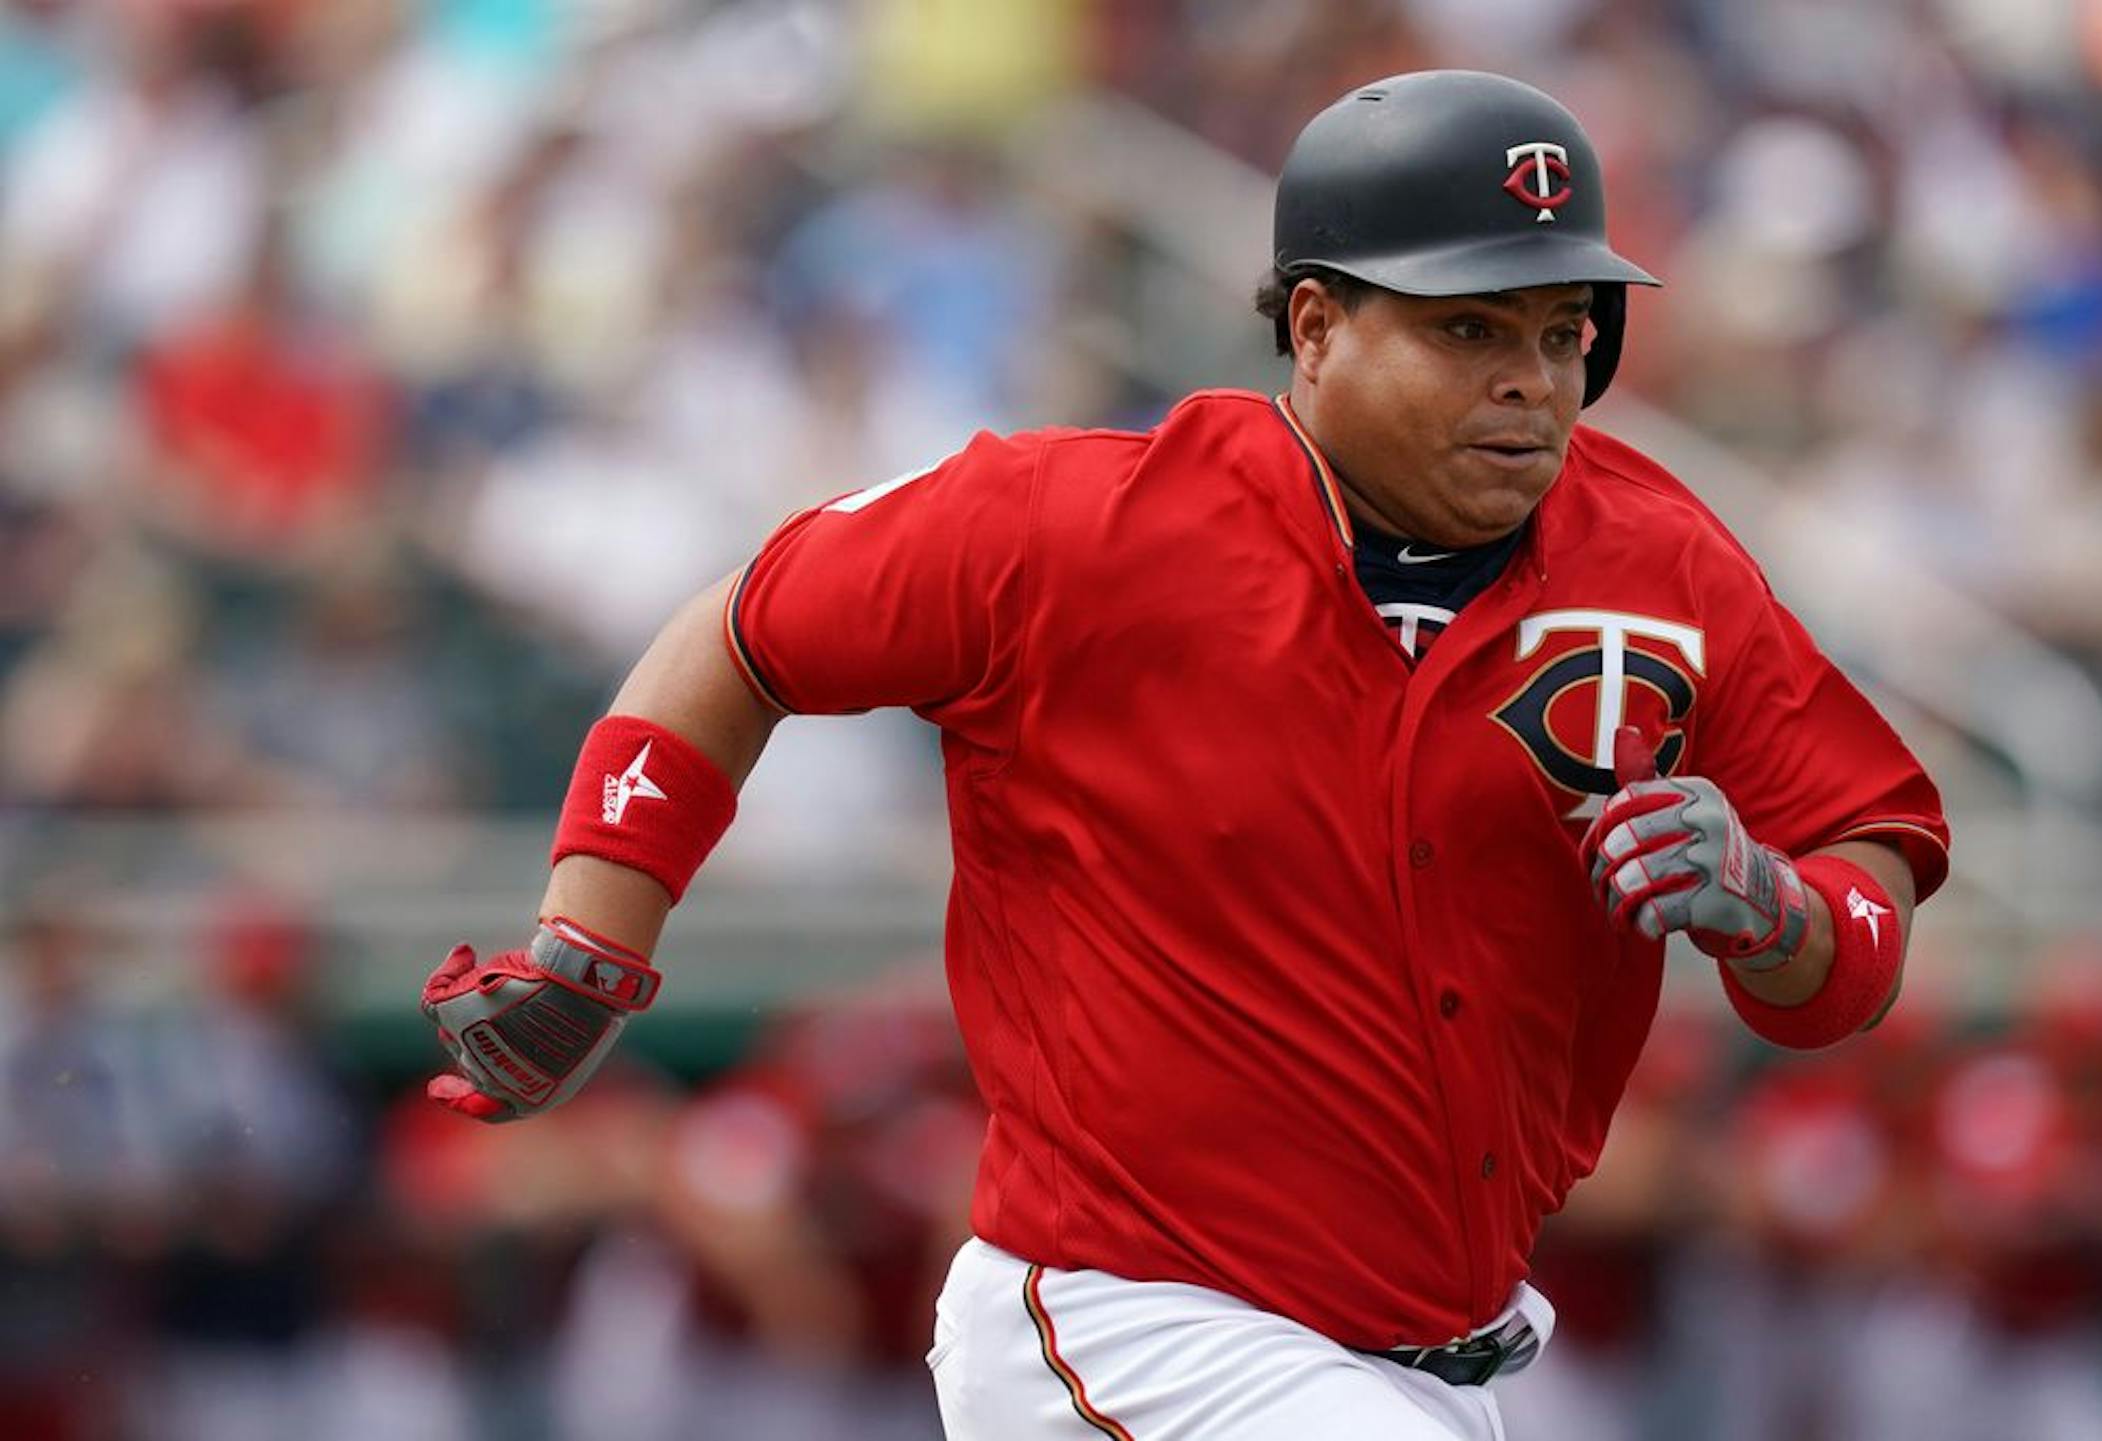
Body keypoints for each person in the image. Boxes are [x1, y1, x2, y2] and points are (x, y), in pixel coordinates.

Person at [418, 71, 1950, 1440]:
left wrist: (1782, 908)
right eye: (1469, 327)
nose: (1532, 379)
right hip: (1126, 1322)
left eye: (1563, 332)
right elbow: (740, 636)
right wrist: (595, 929)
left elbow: (1862, 888)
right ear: (1315, 325)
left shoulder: (1664, 565)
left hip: (1442, 1362)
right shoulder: (1072, 526)